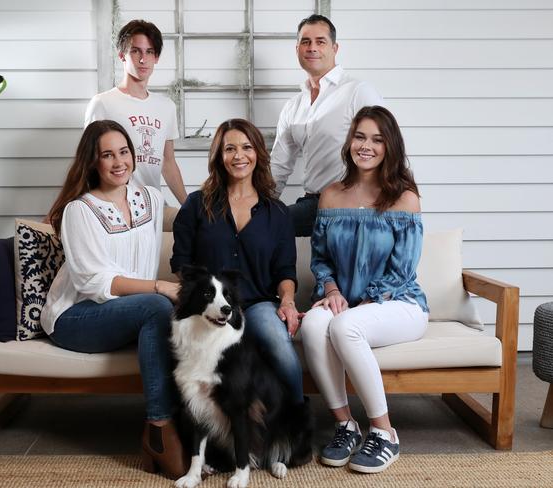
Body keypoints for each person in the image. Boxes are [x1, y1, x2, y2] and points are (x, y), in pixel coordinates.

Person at [41, 120, 187, 480]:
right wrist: (158, 286)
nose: (118, 161)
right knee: (157, 305)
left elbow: (190, 231)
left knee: (172, 312)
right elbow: (92, 282)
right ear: (93, 162)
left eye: (124, 152)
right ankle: (159, 428)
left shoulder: (151, 199)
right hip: (77, 318)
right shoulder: (80, 210)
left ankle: (196, 426)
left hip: (128, 314)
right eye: (107, 155)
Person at [300, 106, 429, 474]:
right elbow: (320, 257)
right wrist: (332, 288)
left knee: (345, 326)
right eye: (360, 137)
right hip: (347, 299)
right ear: (349, 142)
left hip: (398, 303)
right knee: (312, 324)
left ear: (390, 146)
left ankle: (385, 433)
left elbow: (402, 268)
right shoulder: (330, 195)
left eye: (376, 139)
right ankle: (345, 425)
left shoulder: (404, 198)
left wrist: (362, 300)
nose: (366, 146)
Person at [170, 118, 305, 406]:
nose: (239, 156)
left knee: (280, 346)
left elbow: (285, 270)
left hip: (257, 305)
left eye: (246, 147)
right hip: (208, 307)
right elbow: (181, 263)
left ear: (258, 153)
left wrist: (288, 302)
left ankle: (296, 423)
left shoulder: (277, 213)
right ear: (219, 156)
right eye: (230, 149)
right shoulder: (196, 205)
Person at [270, 14, 383, 236]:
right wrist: (256, 209)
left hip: (351, 204)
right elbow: (279, 167)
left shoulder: (358, 92)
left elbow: (388, 146)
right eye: (306, 42)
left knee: (267, 227)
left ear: (334, 48)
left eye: (320, 41)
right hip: (312, 203)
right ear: (297, 50)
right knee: (257, 225)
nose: (312, 48)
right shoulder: (293, 106)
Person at [85, 19, 187, 207]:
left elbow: (168, 162)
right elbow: (87, 162)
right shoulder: (103, 103)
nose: (143, 59)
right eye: (135, 51)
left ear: (156, 57)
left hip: (154, 206)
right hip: (115, 205)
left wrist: (189, 206)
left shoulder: (166, 107)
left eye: (149, 52)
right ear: (122, 55)